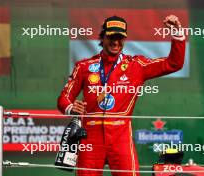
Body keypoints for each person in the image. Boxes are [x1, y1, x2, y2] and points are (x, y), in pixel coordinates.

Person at [57, 15, 185, 176]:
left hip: (120, 137)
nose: (115, 42)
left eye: (120, 37)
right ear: (102, 37)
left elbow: (174, 63)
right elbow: (63, 99)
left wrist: (177, 32)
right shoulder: (84, 66)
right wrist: (70, 108)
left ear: (124, 39)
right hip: (90, 138)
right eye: (111, 37)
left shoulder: (136, 65)